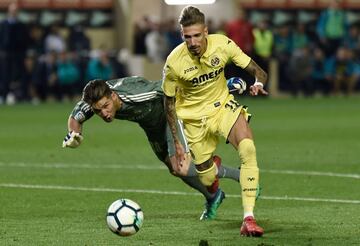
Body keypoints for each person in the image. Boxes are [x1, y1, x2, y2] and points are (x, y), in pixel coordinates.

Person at [62, 76, 247, 220]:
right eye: (97, 110)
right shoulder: (94, 99)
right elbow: (75, 118)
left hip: (171, 114)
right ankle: (213, 196)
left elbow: (172, 86)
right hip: (151, 125)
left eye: (106, 106)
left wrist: (222, 86)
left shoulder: (138, 93)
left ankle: (239, 175)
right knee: (174, 169)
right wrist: (74, 135)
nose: (104, 114)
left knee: (181, 167)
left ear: (113, 96)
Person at [162, 6, 267, 237]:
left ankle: (248, 218)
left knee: (248, 148)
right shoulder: (173, 63)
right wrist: (178, 141)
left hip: (222, 108)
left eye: (197, 35)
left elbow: (259, 71)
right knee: (207, 177)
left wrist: (258, 84)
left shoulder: (223, 44)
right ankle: (213, 171)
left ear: (206, 32)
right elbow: (168, 104)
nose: (192, 42)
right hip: (193, 121)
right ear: (182, 36)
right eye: (187, 37)